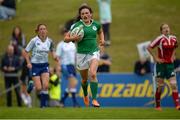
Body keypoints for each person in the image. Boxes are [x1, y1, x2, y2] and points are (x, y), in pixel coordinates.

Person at [64, 5, 105, 107]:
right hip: (81, 55)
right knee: (84, 79)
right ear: (80, 16)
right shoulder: (76, 25)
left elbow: (100, 31)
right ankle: (86, 94)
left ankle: (94, 100)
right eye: (82, 14)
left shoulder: (96, 24)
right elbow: (66, 39)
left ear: (91, 14)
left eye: (87, 13)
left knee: (93, 74)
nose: (85, 15)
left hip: (94, 52)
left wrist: (102, 40)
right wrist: (74, 37)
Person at [23, 23, 60, 108]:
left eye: (44, 29)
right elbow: (25, 52)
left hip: (44, 65)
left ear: (46, 31)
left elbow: (52, 50)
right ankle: (31, 84)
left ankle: (43, 106)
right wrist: (28, 62)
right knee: (39, 88)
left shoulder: (50, 41)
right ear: (38, 31)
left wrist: (55, 56)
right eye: (41, 29)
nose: (43, 31)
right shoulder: (34, 41)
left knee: (46, 86)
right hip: (35, 65)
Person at [147, 23, 180, 110]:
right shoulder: (160, 39)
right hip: (161, 65)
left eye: (167, 27)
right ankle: (158, 106)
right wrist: (156, 58)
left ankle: (177, 105)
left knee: (174, 85)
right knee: (160, 87)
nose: (166, 29)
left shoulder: (174, 38)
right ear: (161, 31)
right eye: (164, 28)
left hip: (170, 65)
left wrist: (173, 55)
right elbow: (149, 47)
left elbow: (176, 46)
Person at [56, 27, 80, 107]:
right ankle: (74, 103)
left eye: (68, 33)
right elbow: (58, 57)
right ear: (64, 35)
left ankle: (62, 101)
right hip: (65, 65)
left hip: (72, 66)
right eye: (65, 34)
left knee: (72, 84)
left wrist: (77, 65)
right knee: (74, 82)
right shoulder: (60, 44)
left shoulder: (73, 44)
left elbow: (75, 56)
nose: (67, 35)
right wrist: (58, 67)